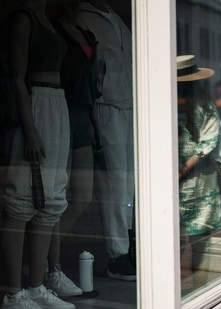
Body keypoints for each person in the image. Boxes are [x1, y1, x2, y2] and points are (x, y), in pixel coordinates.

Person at [0, 1, 75, 308]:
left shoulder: (50, 19)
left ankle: (35, 287)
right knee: (21, 198)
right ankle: (14, 293)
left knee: (53, 196)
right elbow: (17, 77)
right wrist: (30, 129)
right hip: (37, 104)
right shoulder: (23, 17)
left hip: (57, 105)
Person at [43, 4, 102, 297]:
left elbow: (93, 82)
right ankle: (49, 266)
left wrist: (95, 123)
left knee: (82, 195)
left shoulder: (86, 33)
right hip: (61, 109)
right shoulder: (53, 29)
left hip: (83, 114)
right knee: (58, 197)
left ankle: (42, 261)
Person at [76, 0, 135, 281]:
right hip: (107, 104)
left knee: (133, 181)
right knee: (115, 182)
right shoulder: (82, 17)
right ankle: (117, 253)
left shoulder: (118, 18)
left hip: (132, 104)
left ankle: (131, 242)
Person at [177, 55, 221, 290]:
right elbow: (208, 142)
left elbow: (207, 142)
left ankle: (178, 293)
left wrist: (179, 171)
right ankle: (197, 291)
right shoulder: (206, 106)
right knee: (199, 243)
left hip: (178, 181)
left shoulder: (166, 105)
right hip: (200, 182)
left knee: (175, 243)